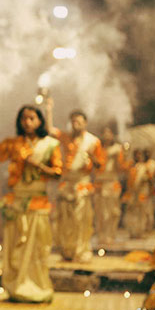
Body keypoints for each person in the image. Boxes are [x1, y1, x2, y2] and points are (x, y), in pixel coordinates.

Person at [0, 105, 62, 303]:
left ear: (40, 121)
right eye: (24, 118)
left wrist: (38, 166)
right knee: (15, 249)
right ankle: (17, 287)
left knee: (37, 249)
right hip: (16, 203)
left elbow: (57, 173)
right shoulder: (14, 144)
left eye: (32, 118)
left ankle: (37, 287)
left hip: (38, 204)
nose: (27, 122)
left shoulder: (51, 144)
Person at [45, 100, 104, 262]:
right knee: (65, 219)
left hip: (82, 184)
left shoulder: (93, 141)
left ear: (85, 123)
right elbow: (50, 130)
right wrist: (49, 109)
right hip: (66, 184)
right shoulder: (65, 137)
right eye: (73, 122)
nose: (75, 124)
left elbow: (100, 165)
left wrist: (91, 157)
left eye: (78, 122)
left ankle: (81, 250)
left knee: (81, 220)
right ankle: (67, 250)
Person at [93, 125, 127, 246]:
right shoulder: (97, 148)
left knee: (112, 212)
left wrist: (118, 156)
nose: (106, 135)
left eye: (109, 133)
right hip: (99, 183)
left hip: (111, 183)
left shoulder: (117, 149)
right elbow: (95, 166)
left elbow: (120, 168)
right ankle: (101, 236)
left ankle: (110, 235)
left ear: (113, 135)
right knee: (100, 212)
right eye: (104, 133)